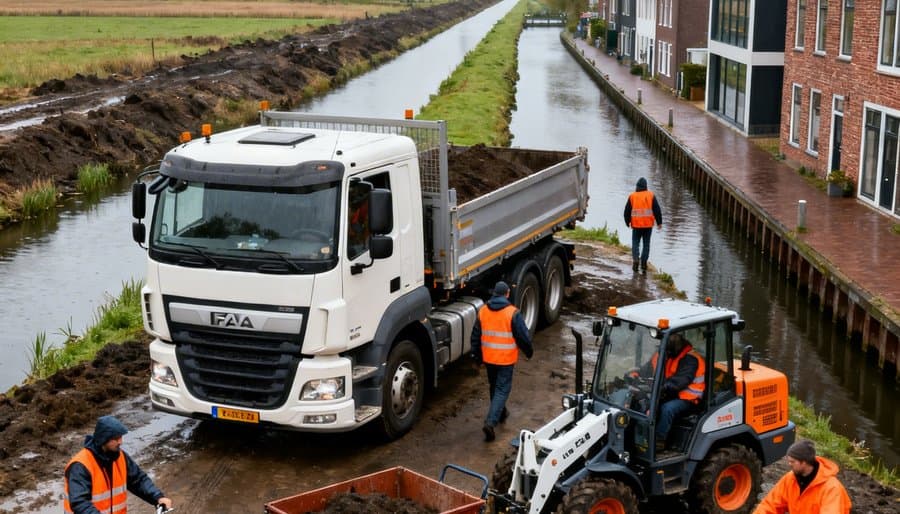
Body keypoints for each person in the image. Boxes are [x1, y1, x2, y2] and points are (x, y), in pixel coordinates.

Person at [64, 415, 173, 514]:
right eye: (116, 438)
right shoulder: (80, 465)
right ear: (103, 439)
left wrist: (158, 497)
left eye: (120, 437)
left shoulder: (120, 457)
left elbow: (138, 480)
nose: (120, 442)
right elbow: (80, 503)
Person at [471, 281, 534, 442]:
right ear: (507, 294)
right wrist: (528, 351)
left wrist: (476, 358)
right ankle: (490, 422)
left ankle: (501, 413)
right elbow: (522, 336)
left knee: (495, 387)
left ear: (494, 294)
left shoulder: (483, 311)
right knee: (501, 389)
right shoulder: (512, 313)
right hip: (505, 359)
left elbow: (475, 336)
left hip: (489, 358)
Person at [631, 332, 704, 450]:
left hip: (688, 398)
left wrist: (662, 388)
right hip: (669, 393)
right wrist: (634, 376)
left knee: (667, 409)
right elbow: (647, 369)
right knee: (639, 402)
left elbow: (681, 381)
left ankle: (659, 440)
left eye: (673, 337)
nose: (670, 340)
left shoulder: (690, 359)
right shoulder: (665, 353)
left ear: (680, 339)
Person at [753, 439, 851, 514]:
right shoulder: (790, 479)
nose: (789, 464)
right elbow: (770, 505)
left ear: (804, 462)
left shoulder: (832, 489)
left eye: (792, 462)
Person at [623, 177, 662, 274]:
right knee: (646, 244)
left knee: (635, 243)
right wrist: (659, 222)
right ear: (646, 186)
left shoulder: (632, 196)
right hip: (648, 226)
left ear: (637, 186)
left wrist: (627, 222)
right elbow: (657, 210)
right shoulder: (651, 195)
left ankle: (636, 260)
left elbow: (626, 211)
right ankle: (644, 263)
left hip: (636, 225)